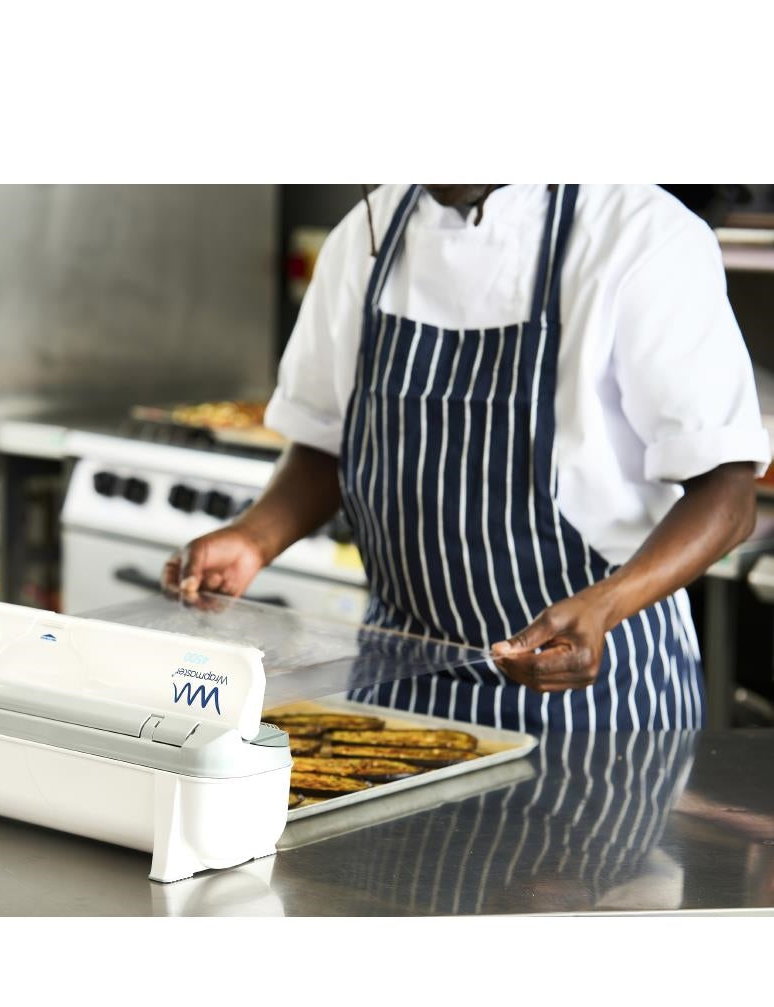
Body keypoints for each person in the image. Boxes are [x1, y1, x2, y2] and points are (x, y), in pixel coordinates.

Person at [163, 185, 770, 735]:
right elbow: (326, 443)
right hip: (401, 687)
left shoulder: (641, 233)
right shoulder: (367, 236)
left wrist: (605, 605)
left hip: (592, 694)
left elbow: (728, 495)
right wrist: (254, 538)